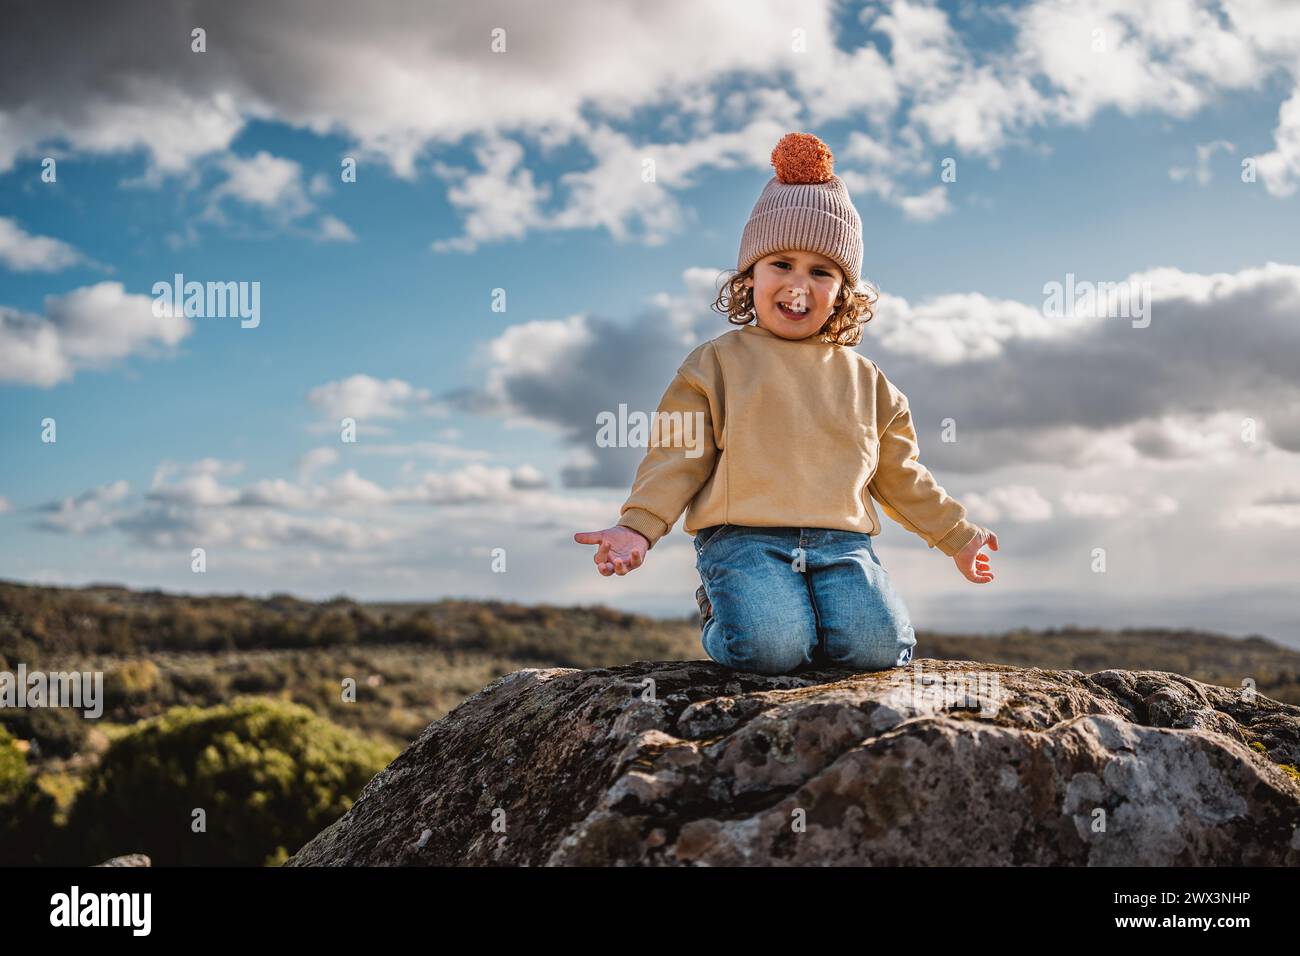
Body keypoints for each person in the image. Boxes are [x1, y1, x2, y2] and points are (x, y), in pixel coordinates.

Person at [574, 131, 998, 675]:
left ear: (843, 293)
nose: (799, 284)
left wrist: (958, 536)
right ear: (749, 277)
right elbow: (677, 455)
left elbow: (901, 475)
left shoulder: (868, 381)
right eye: (781, 264)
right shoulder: (715, 362)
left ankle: (803, 619)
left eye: (821, 271)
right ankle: (720, 609)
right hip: (743, 539)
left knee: (877, 651)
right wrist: (638, 526)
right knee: (771, 651)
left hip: (842, 543)